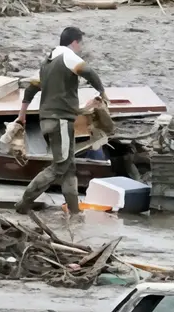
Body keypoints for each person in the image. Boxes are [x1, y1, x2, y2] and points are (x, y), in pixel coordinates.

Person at [15, 27, 106, 217]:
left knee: (69, 166)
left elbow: (30, 90)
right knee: (60, 166)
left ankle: (74, 210)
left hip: (47, 120)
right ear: (75, 42)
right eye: (80, 44)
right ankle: (24, 202)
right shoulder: (68, 56)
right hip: (61, 120)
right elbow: (89, 72)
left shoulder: (47, 61)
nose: (80, 48)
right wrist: (103, 92)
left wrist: (22, 115)